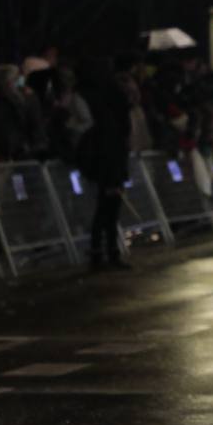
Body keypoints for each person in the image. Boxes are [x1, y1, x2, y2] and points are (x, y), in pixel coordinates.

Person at [76, 58, 132, 270]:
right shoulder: (112, 107)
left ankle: (101, 252)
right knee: (108, 209)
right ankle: (107, 252)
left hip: (105, 162)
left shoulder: (94, 99)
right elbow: (116, 138)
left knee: (104, 209)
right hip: (111, 163)